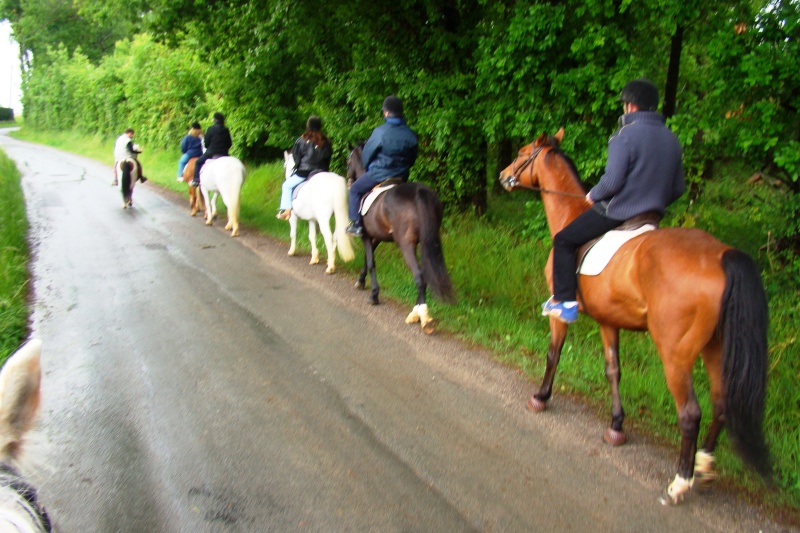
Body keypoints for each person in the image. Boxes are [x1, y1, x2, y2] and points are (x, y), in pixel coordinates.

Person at [541, 78, 685, 324]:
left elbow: (612, 181)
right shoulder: (671, 138)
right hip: (652, 217)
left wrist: (593, 194)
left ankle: (564, 302)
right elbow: (678, 188)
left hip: (618, 213)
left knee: (564, 239)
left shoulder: (623, 135)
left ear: (630, 106)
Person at [346, 95, 418, 237]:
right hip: (401, 176)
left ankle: (356, 224)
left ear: (386, 113)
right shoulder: (410, 134)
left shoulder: (380, 132)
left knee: (354, 189)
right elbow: (412, 158)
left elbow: (367, 154)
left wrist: (369, 168)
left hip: (379, 174)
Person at [276, 115, 333, 220]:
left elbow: (296, 156)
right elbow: (328, 158)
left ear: (308, 126)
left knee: (287, 186)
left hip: (304, 171)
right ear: (320, 126)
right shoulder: (326, 141)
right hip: (321, 172)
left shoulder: (301, 140)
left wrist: (298, 167)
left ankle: (287, 210)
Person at [191, 112, 232, 188]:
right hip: (224, 153)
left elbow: (206, 144)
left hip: (212, 152)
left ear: (215, 120)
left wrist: (211, 147)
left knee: (198, 162)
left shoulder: (210, 129)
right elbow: (229, 143)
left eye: (213, 118)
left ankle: (196, 180)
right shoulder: (226, 129)